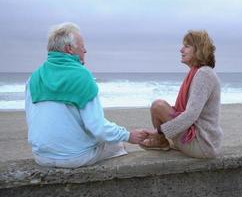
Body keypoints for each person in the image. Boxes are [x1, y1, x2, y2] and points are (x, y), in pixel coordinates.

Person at [25, 22, 147, 168]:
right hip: (74, 158)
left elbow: (32, 119)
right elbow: (98, 128)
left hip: (41, 156)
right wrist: (128, 135)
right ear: (69, 49)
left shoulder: (33, 78)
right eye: (82, 47)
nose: (85, 51)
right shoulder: (81, 75)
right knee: (117, 145)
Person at [140, 30, 223, 158]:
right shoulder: (198, 73)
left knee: (158, 105)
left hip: (203, 144)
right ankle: (162, 141)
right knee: (158, 106)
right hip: (200, 140)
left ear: (199, 49)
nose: (181, 50)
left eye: (187, 46)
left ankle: (160, 140)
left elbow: (191, 115)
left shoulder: (204, 74)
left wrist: (158, 130)